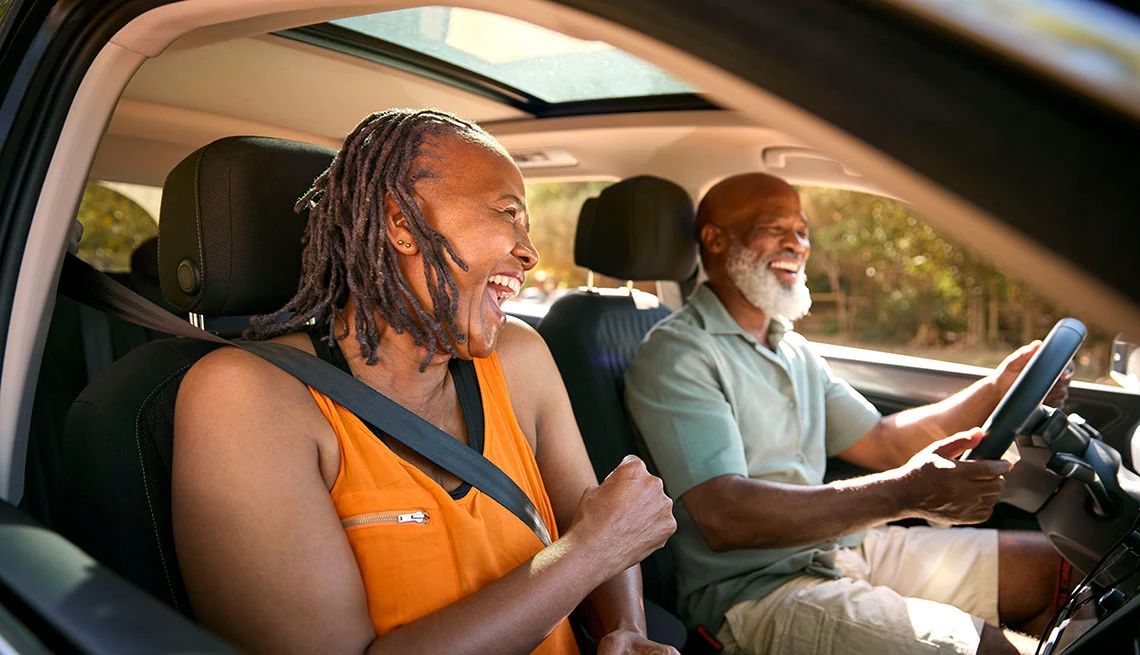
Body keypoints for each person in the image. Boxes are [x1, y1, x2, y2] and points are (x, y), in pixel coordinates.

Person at [172, 109, 678, 655]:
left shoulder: (519, 359)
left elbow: (593, 516)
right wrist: (589, 552)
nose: (529, 252)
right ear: (402, 224)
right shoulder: (247, 397)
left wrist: (624, 629)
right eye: (508, 212)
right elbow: (598, 539)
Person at [624, 172, 1070, 655]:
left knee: (1056, 568)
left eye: (802, 231)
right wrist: (905, 494)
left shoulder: (791, 347)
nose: (797, 244)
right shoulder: (679, 353)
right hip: (755, 593)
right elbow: (726, 515)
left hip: (840, 549)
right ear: (714, 239)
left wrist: (996, 388)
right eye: (776, 228)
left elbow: (884, 441)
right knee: (988, 650)